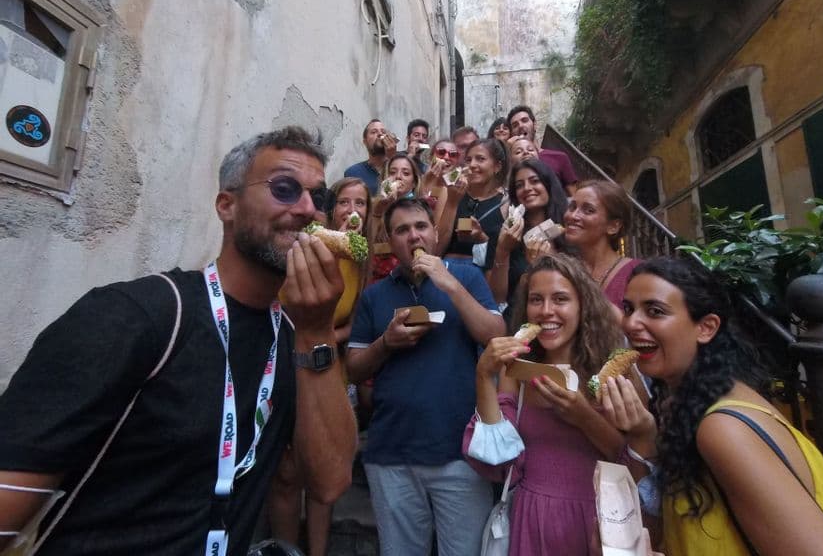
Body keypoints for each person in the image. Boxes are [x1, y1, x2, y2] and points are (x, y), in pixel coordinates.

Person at [0, 127, 357, 556]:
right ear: (227, 204)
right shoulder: (135, 316)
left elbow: (331, 480)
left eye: (319, 199)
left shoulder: (292, 341)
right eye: (284, 189)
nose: (306, 210)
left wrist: (317, 330)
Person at [602, 257, 823, 555]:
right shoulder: (687, 406)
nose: (630, 323)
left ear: (706, 328)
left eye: (655, 311)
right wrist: (643, 439)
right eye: (629, 309)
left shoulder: (723, 429)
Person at [346, 197, 505, 556]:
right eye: (402, 230)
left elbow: (495, 334)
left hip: (459, 453)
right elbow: (354, 368)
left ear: (435, 233)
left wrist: (447, 282)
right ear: (389, 239)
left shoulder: (466, 276)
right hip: (391, 453)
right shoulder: (374, 295)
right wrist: (386, 342)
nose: (413, 236)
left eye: (420, 227)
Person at [463, 253, 628, 555]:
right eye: (536, 299)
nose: (547, 311)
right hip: (530, 518)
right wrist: (484, 376)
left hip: (597, 522)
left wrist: (584, 417)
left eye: (561, 299)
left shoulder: (611, 370)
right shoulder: (518, 369)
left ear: (583, 306)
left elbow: (634, 459)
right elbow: (496, 459)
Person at [267, 177, 371, 555]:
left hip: (328, 365)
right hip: (283, 365)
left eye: (361, 204)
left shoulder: (360, 259)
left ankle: (318, 551)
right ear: (329, 210)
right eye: (345, 203)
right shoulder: (304, 246)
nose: (352, 211)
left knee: (323, 469)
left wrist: (324, 334)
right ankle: (284, 549)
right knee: (286, 473)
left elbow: (352, 321)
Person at [489, 159, 569, 317]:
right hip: (520, 320)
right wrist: (503, 250)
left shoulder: (570, 229)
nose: (527, 188)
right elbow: (497, 297)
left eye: (535, 181)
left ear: (548, 184)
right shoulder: (504, 233)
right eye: (519, 185)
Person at [562, 180, 641, 309]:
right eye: (572, 207)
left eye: (588, 210)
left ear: (613, 226)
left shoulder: (636, 273)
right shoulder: (565, 269)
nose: (573, 216)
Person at [436, 138, 508, 271]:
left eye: (480, 159)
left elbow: (505, 254)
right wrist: (452, 202)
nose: (472, 165)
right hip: (447, 271)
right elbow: (436, 249)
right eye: (468, 160)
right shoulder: (448, 192)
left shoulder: (506, 202)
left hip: (486, 276)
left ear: (497, 166)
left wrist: (482, 239)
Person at [368, 154, 423, 284]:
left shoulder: (421, 210)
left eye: (406, 173)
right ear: (384, 179)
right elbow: (366, 245)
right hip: (375, 277)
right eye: (392, 172)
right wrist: (379, 210)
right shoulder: (371, 205)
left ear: (414, 182)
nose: (398, 176)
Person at [506, 105, 578, 196]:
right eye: (515, 125)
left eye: (525, 120)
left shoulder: (560, 157)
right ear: (512, 134)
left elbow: (574, 196)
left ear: (535, 125)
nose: (520, 126)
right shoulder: (510, 161)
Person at [343, 118, 398, 196]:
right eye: (374, 132)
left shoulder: (399, 169)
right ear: (365, 142)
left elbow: (390, 196)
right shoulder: (353, 173)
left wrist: (392, 160)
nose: (380, 134)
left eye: (383, 132)